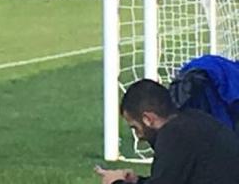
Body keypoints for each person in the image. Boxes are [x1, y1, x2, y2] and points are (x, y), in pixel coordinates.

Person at [95, 79, 239, 184]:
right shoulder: (195, 120)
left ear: (148, 119)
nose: (139, 136)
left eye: (135, 128)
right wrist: (137, 181)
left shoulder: (174, 135)